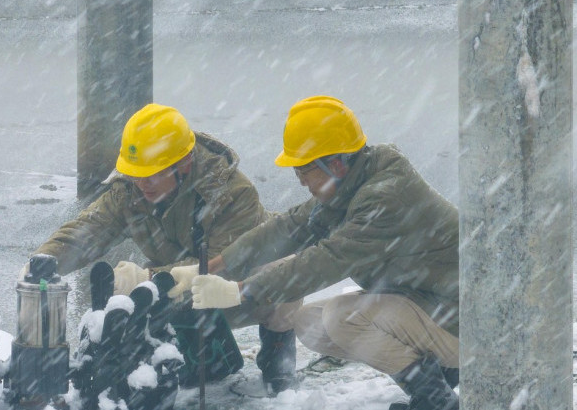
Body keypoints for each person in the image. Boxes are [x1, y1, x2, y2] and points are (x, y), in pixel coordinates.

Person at [174, 96, 460, 410]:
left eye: (304, 172)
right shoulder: (354, 180)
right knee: (311, 321)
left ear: (334, 163)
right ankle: (441, 375)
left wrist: (239, 291)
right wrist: (214, 267)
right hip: (430, 303)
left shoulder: (384, 198)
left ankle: (437, 399)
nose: (301, 182)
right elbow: (289, 227)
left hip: (464, 320)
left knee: (342, 319)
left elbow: (323, 263)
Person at [31, 103, 301, 393]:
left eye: (153, 174)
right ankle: (158, 366)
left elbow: (221, 263)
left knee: (284, 269)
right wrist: (43, 262)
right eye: (136, 174)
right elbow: (87, 231)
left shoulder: (233, 193)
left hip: (237, 288)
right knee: (122, 299)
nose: (142, 184)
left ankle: (278, 362)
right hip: (177, 287)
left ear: (183, 164)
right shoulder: (131, 189)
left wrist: (147, 280)